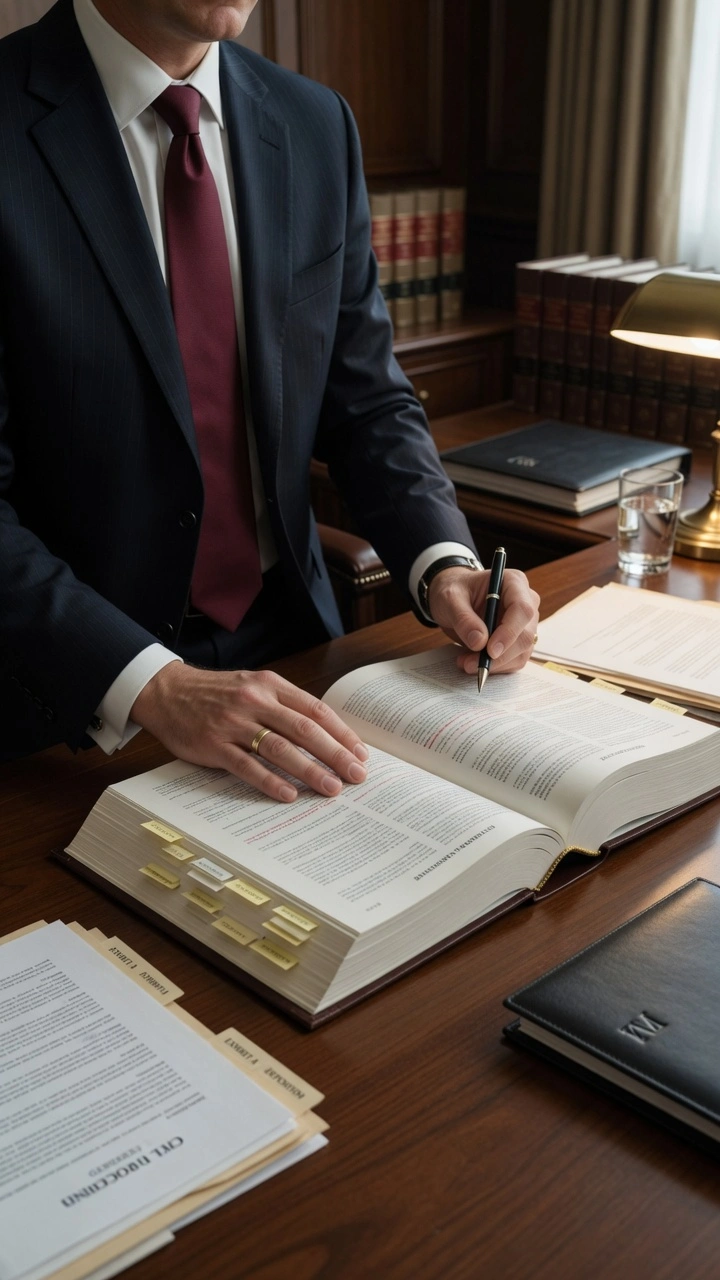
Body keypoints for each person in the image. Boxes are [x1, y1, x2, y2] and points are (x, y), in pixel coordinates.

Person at [0, 0, 539, 800]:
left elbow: (368, 403)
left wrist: (443, 563)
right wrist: (154, 684)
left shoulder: (316, 122)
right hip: (64, 713)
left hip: (296, 657)